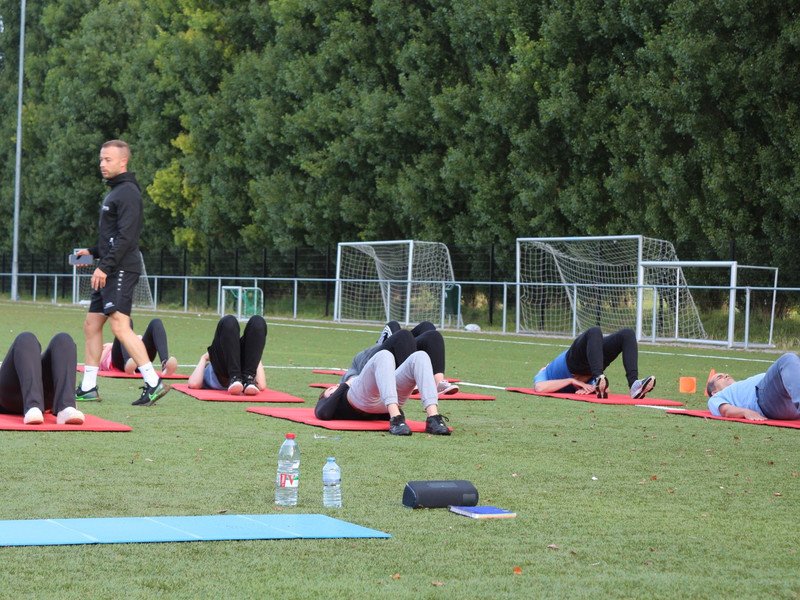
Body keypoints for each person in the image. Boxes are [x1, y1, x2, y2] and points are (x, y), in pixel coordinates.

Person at [74, 140, 169, 407]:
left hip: (120, 268)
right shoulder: (115, 192)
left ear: (122, 162)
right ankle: (89, 387)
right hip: (109, 266)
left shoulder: (127, 192)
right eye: (101, 159)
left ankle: (153, 382)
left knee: (119, 325)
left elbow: (127, 236)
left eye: (107, 159)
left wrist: (104, 266)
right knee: (92, 326)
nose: (102, 164)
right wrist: (92, 252)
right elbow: (112, 237)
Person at [314, 326, 451, 436]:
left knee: (420, 356)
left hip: (382, 399)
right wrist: (343, 386)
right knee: (384, 355)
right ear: (328, 398)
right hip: (360, 398)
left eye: (333, 387)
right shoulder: (336, 401)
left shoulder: (349, 382)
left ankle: (433, 417)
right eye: (330, 390)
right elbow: (322, 412)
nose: (335, 386)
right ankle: (396, 419)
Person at [533, 326, 655, 399]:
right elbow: (540, 388)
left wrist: (590, 387)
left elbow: (539, 385)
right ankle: (598, 378)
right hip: (591, 368)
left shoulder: (544, 372)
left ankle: (633, 384)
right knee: (595, 331)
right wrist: (576, 382)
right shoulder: (549, 377)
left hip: (574, 358)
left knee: (627, 334)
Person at [0, 332, 85, 425]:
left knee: (63, 339)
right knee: (25, 338)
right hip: (10, 396)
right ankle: (33, 407)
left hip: (45, 398)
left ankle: (66, 407)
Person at [188, 315, 267, 395]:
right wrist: (204, 358)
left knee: (258, 321)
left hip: (243, 369)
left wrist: (253, 355)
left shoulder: (245, 368)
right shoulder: (207, 373)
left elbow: (261, 386)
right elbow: (194, 384)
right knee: (229, 321)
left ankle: (248, 380)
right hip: (222, 365)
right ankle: (236, 378)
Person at [706, 353, 800, 421]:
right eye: (720, 377)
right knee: (788, 359)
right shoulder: (716, 397)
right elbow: (725, 410)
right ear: (714, 392)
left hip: (789, 403)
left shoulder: (741, 384)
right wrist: (745, 412)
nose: (726, 375)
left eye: (725, 374)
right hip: (766, 399)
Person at [376, 321, 459, 395]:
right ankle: (409, 381)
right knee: (394, 325)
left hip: (407, 354)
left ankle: (438, 384)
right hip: (386, 358)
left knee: (429, 329)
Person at [96, 318, 177, 376]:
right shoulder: (107, 348)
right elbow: (97, 362)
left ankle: (165, 365)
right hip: (119, 361)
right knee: (126, 320)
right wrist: (109, 347)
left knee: (156, 322)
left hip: (141, 359)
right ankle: (127, 363)